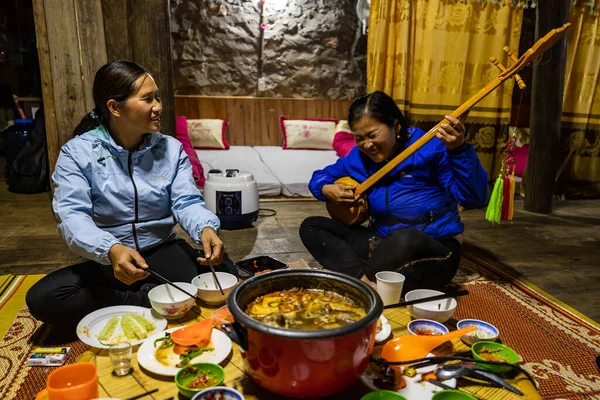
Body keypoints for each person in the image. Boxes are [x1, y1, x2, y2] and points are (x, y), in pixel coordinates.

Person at [26, 60, 236, 326]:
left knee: (226, 272)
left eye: (157, 97)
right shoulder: (77, 154)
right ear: (115, 107)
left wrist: (206, 228)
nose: (158, 106)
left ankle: (135, 301)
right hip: (112, 259)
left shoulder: (170, 149)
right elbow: (72, 216)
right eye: (147, 99)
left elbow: (186, 201)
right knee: (44, 298)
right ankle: (146, 300)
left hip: (161, 249)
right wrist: (111, 248)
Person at [299, 91, 488, 294]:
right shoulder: (359, 158)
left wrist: (459, 151)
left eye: (372, 135)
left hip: (432, 249)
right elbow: (319, 177)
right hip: (382, 243)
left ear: (396, 126)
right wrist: (326, 189)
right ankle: (364, 281)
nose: (367, 145)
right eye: (359, 138)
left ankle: (355, 277)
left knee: (406, 239)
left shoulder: (430, 148)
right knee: (311, 226)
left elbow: (474, 198)